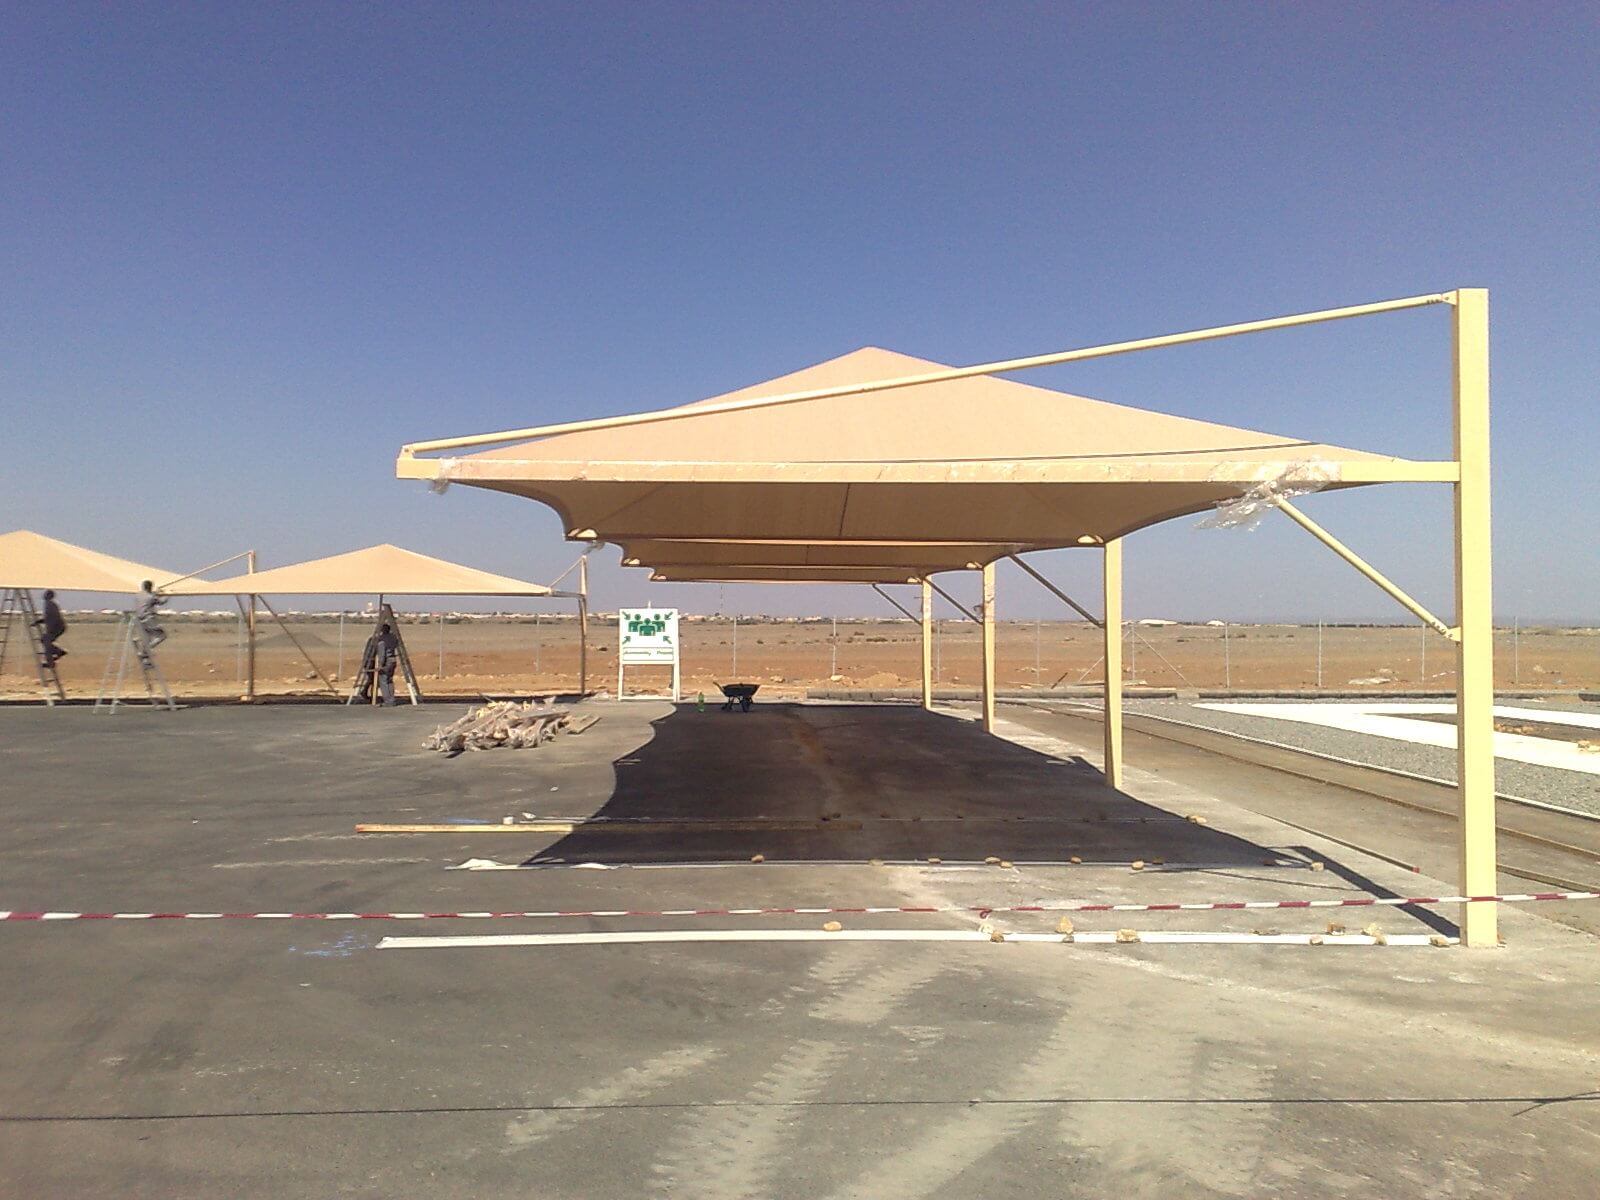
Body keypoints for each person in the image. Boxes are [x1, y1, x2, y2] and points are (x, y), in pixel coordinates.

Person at [135, 580, 167, 654]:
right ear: (150, 587)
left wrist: (156, 593)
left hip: (139, 618)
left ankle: (140, 643)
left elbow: (150, 596)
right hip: (148, 618)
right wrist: (168, 595)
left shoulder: (138, 595)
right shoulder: (151, 597)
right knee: (162, 636)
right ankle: (147, 648)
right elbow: (161, 602)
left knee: (147, 636)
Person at [373, 621, 401, 706]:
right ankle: (392, 699)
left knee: (383, 681)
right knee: (389, 680)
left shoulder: (382, 640)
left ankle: (388, 701)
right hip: (393, 660)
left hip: (386, 661)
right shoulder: (393, 638)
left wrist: (380, 665)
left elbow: (382, 654)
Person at [38, 589, 68, 666]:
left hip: (57, 627)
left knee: (46, 641)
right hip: (56, 627)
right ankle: (58, 652)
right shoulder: (49, 604)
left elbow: (54, 617)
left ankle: (51, 662)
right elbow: (49, 617)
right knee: (44, 640)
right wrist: (40, 621)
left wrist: (51, 629)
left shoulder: (50, 604)